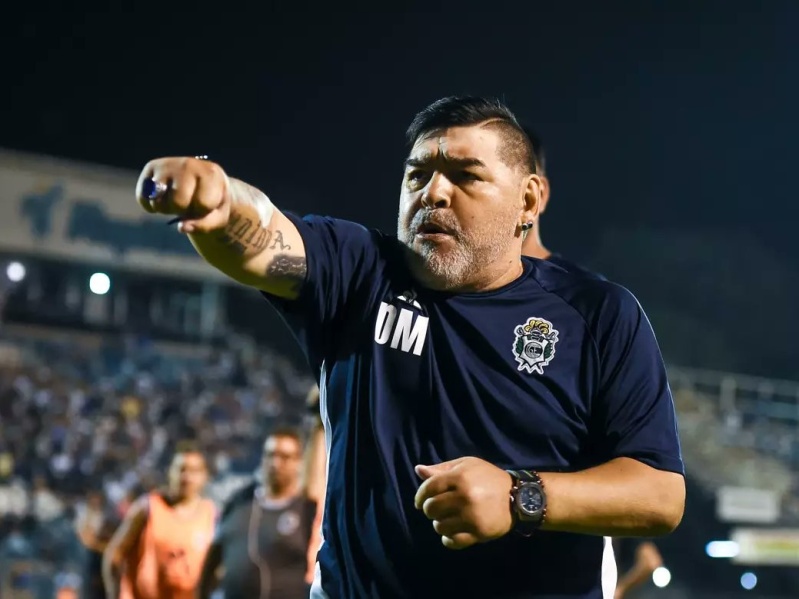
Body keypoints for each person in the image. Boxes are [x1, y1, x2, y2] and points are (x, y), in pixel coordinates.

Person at [136, 95, 685, 598]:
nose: (434, 193)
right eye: (417, 174)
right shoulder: (360, 273)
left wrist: (518, 497)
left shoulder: (598, 314)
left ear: (528, 200)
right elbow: (265, 236)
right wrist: (220, 198)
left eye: (466, 176)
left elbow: (660, 495)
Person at [198, 425, 322, 599]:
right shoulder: (239, 504)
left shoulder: (306, 510)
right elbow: (212, 560)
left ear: (299, 462)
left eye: (285, 457)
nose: (276, 463)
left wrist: (318, 428)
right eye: (270, 455)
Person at [102, 443, 215, 599]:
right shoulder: (149, 508)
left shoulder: (211, 515)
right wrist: (115, 594)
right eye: (181, 469)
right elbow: (115, 556)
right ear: (170, 472)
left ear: (204, 476)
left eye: (194, 471)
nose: (187, 477)